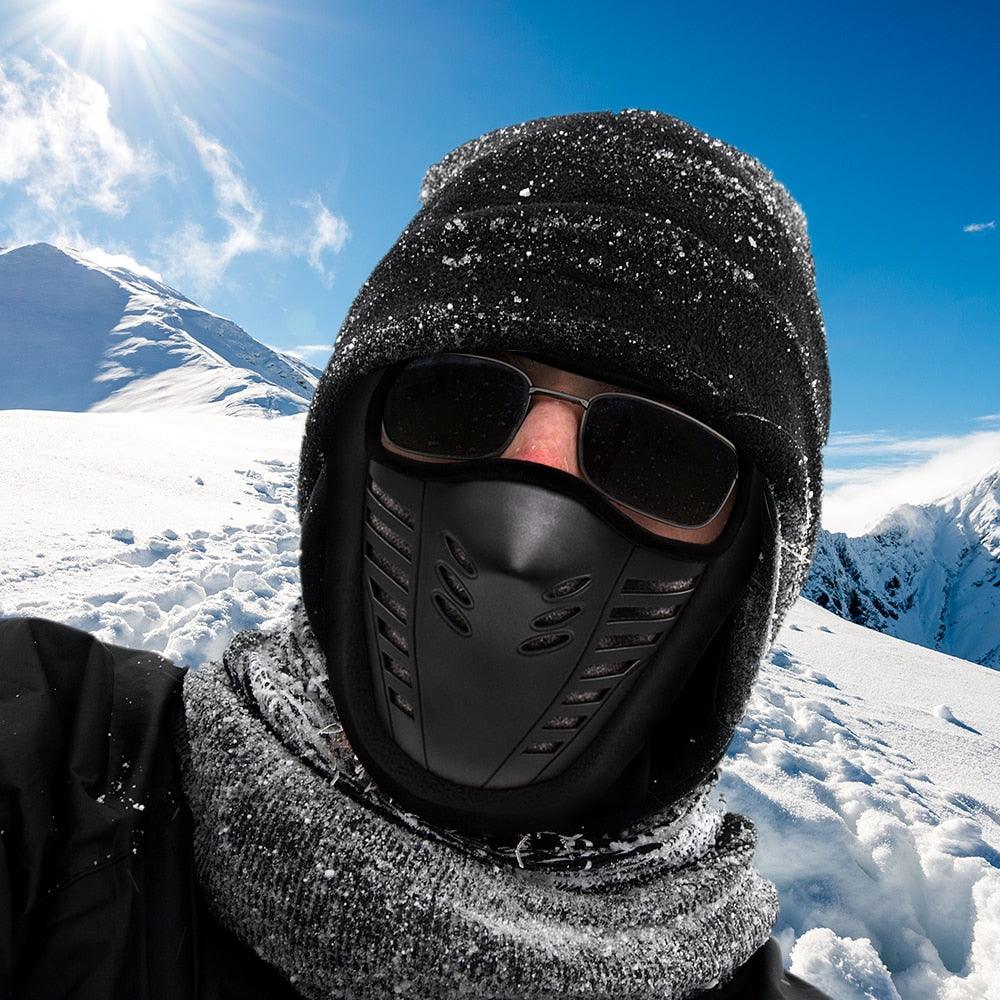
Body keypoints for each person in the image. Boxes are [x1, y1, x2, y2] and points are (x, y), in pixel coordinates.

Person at [0, 109, 834, 999]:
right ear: (343, 462)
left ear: (748, 579)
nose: (526, 532)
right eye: (456, 401)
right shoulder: (49, 753)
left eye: (659, 460)